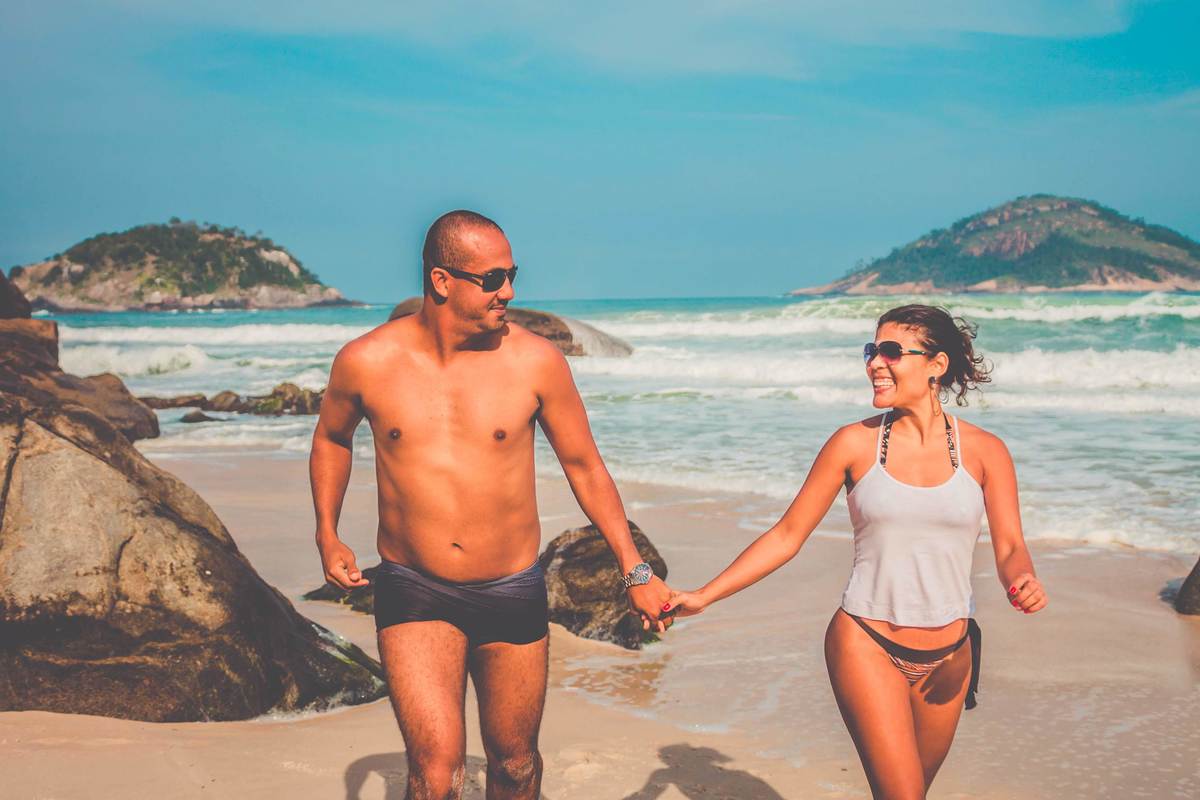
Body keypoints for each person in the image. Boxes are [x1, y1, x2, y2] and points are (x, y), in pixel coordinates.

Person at [309, 210, 672, 800]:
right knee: (435, 773)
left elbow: (585, 466)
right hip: (414, 586)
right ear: (442, 281)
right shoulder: (367, 361)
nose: (509, 291)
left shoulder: (534, 362)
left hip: (510, 588)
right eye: (492, 278)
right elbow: (330, 438)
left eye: (512, 275)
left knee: (516, 766)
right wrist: (327, 532)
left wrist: (634, 569)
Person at [665, 304, 1047, 799]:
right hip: (868, 642)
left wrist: (1022, 580)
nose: (874, 363)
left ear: (937, 364)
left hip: (951, 656)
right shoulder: (854, 444)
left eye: (891, 351)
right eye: (872, 351)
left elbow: (1011, 546)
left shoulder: (985, 451)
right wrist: (704, 595)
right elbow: (787, 535)